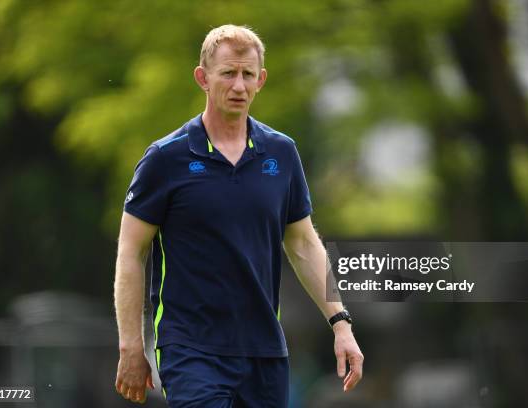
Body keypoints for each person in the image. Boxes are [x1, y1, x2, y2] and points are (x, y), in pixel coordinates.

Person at [114, 24, 363, 407]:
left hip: (264, 350)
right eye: (228, 73)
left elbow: (302, 243)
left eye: (248, 75)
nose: (239, 86)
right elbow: (131, 251)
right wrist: (131, 344)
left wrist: (341, 324)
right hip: (191, 348)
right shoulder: (166, 159)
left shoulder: (282, 154)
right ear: (203, 78)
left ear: (261, 80)